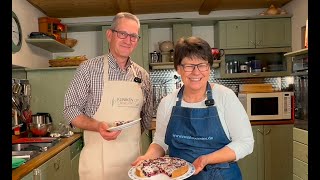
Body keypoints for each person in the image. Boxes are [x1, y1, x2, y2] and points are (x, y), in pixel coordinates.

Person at [132, 36, 254, 180]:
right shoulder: (167, 103)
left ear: (209, 67)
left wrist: (206, 159)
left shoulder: (224, 96)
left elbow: (245, 143)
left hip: (221, 176)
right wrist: (147, 158)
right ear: (178, 68)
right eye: (189, 66)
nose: (196, 72)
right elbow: (160, 142)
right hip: (180, 176)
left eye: (202, 65)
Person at [63, 12, 153, 180]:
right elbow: (70, 110)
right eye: (123, 34)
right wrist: (98, 126)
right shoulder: (88, 69)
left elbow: (146, 118)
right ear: (110, 35)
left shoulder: (143, 75)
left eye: (133, 36)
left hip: (133, 166)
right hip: (98, 167)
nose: (128, 40)